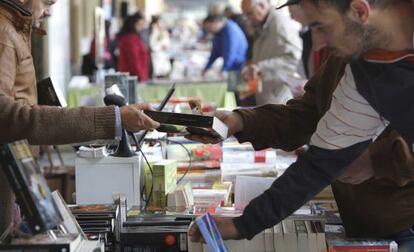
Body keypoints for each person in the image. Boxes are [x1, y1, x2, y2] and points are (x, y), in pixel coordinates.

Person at [189, 0, 414, 249]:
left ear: (359, 11)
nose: (317, 44)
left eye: (321, 27)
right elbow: (320, 162)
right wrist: (242, 225)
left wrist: (381, 159)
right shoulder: (364, 70)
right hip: (374, 219)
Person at [0, 0, 159, 236]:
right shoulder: (4, 32)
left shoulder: (13, 28)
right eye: (47, 2)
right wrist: (111, 118)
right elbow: (7, 116)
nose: (50, 11)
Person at [241, 0, 303, 104]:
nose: (247, 18)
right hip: (267, 92)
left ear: (262, 6)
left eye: (249, 13)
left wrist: (260, 68)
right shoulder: (263, 23)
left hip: (278, 96)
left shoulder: (280, 24)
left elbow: (294, 59)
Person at [117, 12, 149, 82]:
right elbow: (134, 60)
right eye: (139, 24)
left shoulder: (132, 38)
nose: (141, 27)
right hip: (134, 79)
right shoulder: (130, 40)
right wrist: (140, 77)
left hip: (134, 77)